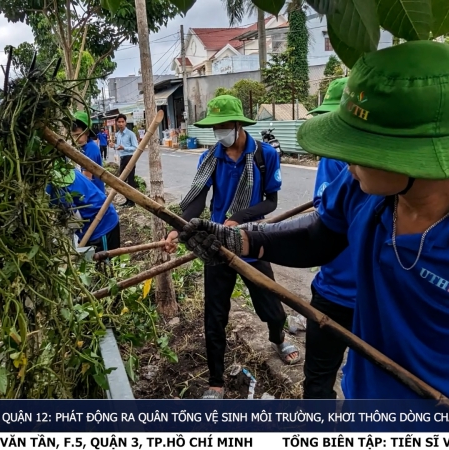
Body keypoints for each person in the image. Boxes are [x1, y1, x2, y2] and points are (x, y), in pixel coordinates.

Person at [175, 41, 449, 431]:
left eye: (359, 147)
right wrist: (243, 240)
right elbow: (323, 235)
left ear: (416, 156)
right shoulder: (364, 190)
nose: (341, 158)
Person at [163, 95, 299, 400]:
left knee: (271, 305)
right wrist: (178, 228)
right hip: (217, 243)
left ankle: (278, 337)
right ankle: (215, 380)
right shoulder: (211, 157)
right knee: (215, 315)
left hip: (252, 240)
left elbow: (271, 201)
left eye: (224, 126)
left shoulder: (264, 156)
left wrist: (236, 219)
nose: (219, 133)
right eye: (215, 127)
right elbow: (198, 198)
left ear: (239, 125)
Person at [243, 77, 355, 399]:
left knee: (364, 381)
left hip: (377, 300)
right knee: (318, 381)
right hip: (333, 289)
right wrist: (241, 238)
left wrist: (244, 231)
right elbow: (318, 234)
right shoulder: (342, 166)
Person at [47, 161, 120, 253]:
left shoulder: (55, 187)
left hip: (101, 225)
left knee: (104, 263)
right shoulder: (63, 170)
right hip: (90, 222)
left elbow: (74, 220)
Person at [73, 111, 106, 193]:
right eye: (73, 136)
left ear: (87, 133)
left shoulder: (90, 149)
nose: (75, 139)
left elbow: (87, 179)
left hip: (93, 196)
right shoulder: (83, 147)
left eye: (78, 135)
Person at [114, 114, 138, 207]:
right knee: (122, 181)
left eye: (122, 122)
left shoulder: (130, 134)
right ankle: (128, 200)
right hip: (122, 158)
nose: (120, 124)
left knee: (130, 180)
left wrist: (124, 148)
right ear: (116, 123)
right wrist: (114, 146)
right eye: (119, 122)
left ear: (125, 122)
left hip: (130, 158)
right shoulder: (118, 134)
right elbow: (119, 147)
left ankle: (132, 202)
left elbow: (135, 147)